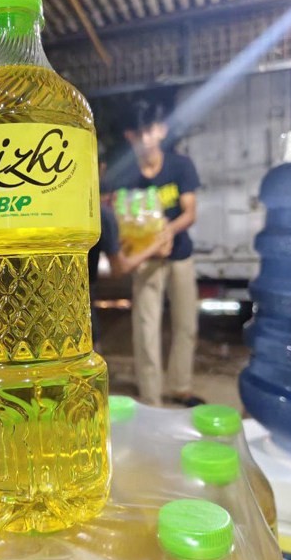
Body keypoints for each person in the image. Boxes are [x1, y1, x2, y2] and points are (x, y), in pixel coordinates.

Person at [103, 99, 205, 407]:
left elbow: (189, 213)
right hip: (146, 261)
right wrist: (144, 245)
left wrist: (166, 233)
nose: (145, 138)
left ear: (160, 130)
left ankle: (180, 387)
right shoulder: (124, 175)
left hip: (179, 255)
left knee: (186, 324)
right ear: (130, 136)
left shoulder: (180, 166)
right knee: (146, 327)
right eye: (138, 133)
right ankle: (150, 395)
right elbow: (118, 214)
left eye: (150, 130)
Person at [88, 158, 172, 348]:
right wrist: (155, 246)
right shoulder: (101, 214)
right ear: (101, 168)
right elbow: (120, 268)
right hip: (84, 322)